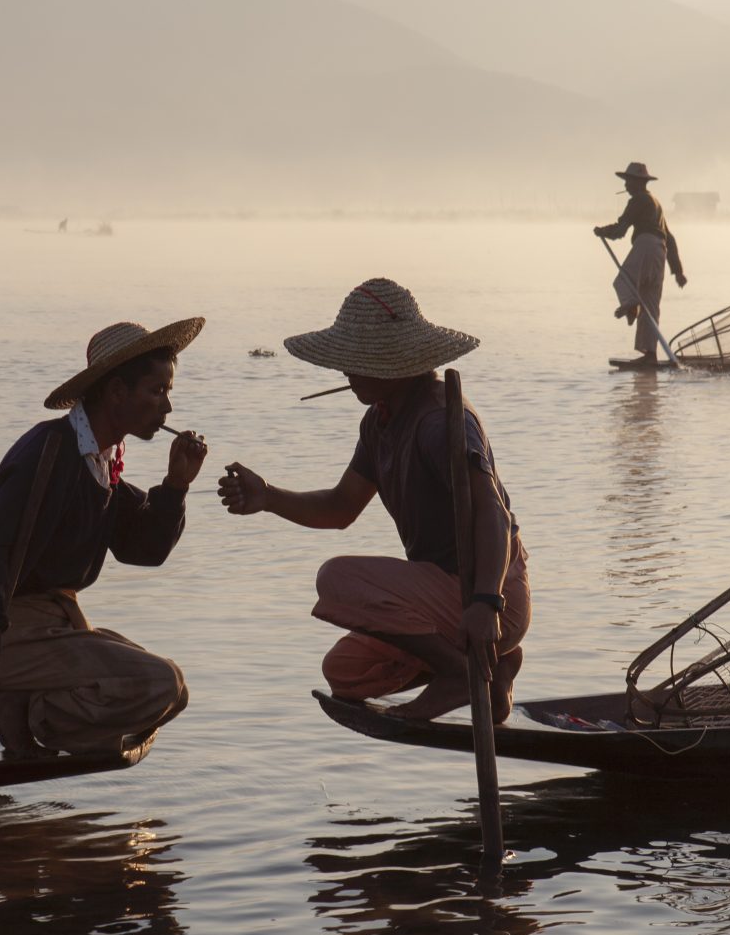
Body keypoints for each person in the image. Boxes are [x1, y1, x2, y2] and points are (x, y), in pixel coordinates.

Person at [215, 279, 529, 722]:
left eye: (356, 361)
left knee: (336, 579)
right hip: (442, 600)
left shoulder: (439, 421)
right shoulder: (380, 422)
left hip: (487, 597)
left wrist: (485, 604)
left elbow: (493, 513)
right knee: (345, 672)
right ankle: (493, 674)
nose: (346, 371)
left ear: (394, 364)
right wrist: (268, 497)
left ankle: (461, 673)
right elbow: (342, 507)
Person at [0, 317, 209, 758]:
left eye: (168, 393)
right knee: (159, 682)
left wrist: (177, 485)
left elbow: (142, 550)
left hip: (57, 622)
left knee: (173, 695)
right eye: (157, 391)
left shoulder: (101, 463)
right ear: (117, 393)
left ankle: (30, 708)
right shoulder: (49, 454)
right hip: (11, 630)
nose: (167, 409)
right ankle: (29, 710)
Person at [595, 161, 687, 362]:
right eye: (626, 181)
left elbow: (620, 230)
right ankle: (650, 355)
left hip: (645, 245)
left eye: (629, 181)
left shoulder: (638, 200)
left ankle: (631, 304)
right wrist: (678, 271)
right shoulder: (656, 203)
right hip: (660, 253)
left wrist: (602, 231)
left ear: (638, 183)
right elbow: (669, 237)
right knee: (650, 304)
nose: (626, 185)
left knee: (623, 282)